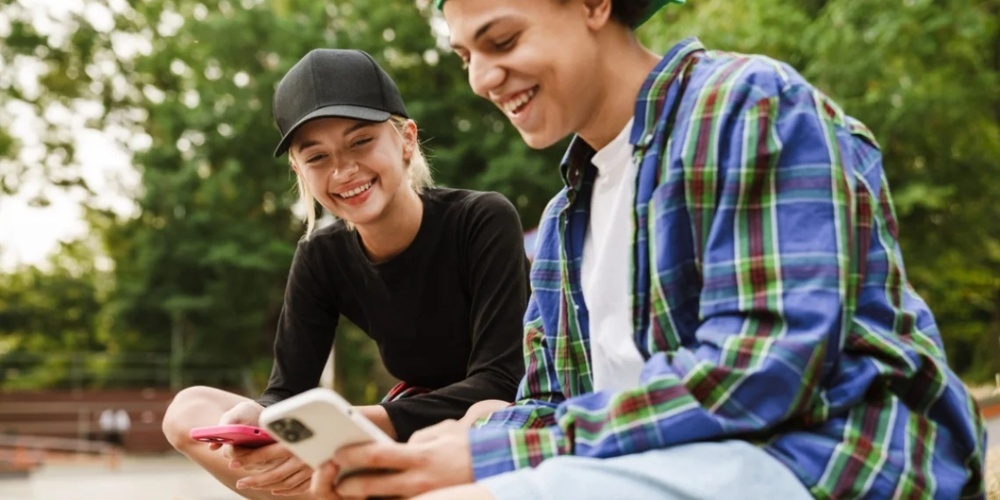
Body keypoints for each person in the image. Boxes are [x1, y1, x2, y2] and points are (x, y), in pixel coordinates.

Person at [306, 0, 988, 499]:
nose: (483, 78)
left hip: (821, 459)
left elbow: (759, 374)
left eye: (502, 40)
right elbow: (553, 405)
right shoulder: (563, 218)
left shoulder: (744, 105)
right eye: (467, 57)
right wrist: (456, 434)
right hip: (659, 465)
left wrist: (497, 449)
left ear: (595, 5)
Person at [161, 48, 529, 499]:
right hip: (392, 424)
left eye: (361, 142)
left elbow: (501, 381)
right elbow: (285, 392)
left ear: (406, 139)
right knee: (187, 409)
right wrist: (256, 423)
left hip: (487, 422)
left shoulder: (481, 219)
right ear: (299, 169)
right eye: (316, 157)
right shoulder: (320, 255)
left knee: (484, 412)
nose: (343, 170)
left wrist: (346, 421)